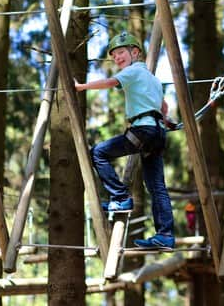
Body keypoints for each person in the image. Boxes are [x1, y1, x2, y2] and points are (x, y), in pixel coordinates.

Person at [74, 32, 175, 249]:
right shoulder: (153, 79)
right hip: (158, 132)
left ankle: (120, 197)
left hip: (143, 130)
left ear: (135, 52)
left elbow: (111, 82)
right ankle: (165, 235)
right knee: (156, 186)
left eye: (121, 52)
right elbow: (164, 107)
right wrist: (166, 121)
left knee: (98, 152)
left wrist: (81, 87)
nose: (117, 58)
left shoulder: (132, 71)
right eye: (114, 56)